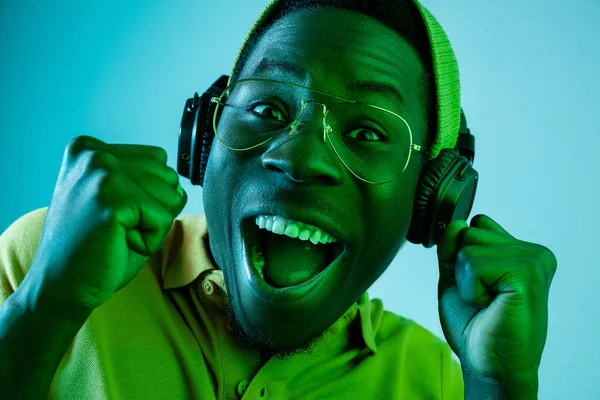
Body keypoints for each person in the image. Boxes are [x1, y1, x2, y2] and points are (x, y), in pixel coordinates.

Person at [0, 0, 557, 399]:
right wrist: (45, 305)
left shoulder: (432, 379)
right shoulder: (48, 261)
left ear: (431, 202)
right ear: (204, 136)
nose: (300, 158)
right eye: (267, 109)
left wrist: (499, 387)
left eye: (367, 132)